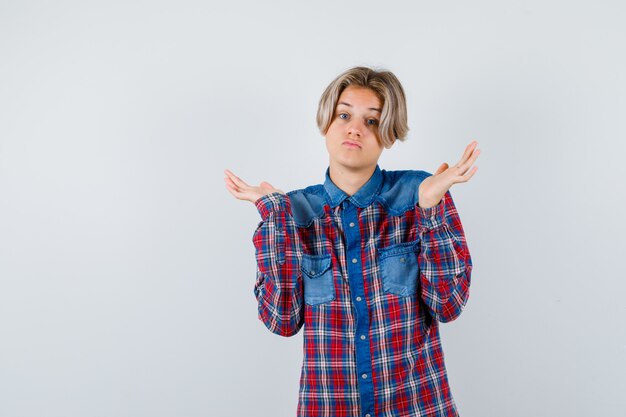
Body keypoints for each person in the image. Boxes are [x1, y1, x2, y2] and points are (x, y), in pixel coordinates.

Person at [224, 66, 480, 417]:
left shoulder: (420, 193)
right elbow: (280, 320)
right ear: (326, 122)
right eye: (344, 115)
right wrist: (275, 216)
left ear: (388, 134)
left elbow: (448, 305)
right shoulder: (297, 213)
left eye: (372, 121)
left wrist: (431, 209)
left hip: (417, 406)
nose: (355, 128)